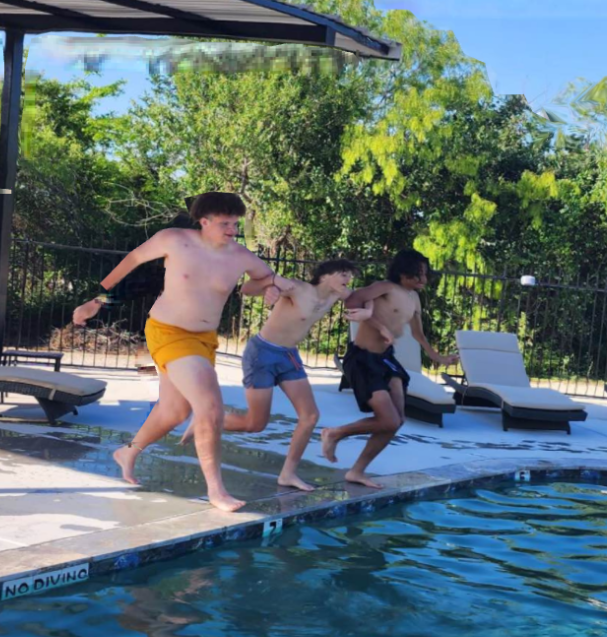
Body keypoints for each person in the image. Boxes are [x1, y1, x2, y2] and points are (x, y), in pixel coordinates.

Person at [71, 192, 284, 512]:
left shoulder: (240, 256)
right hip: (168, 332)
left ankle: (127, 452)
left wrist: (271, 289)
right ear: (204, 221)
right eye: (225, 224)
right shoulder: (174, 240)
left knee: (174, 412)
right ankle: (216, 491)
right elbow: (132, 261)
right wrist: (97, 300)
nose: (232, 230)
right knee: (210, 406)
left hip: (204, 339)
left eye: (235, 224)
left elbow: (264, 278)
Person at [182, 259, 368, 491]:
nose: (347, 280)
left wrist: (367, 311)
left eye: (349, 276)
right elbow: (247, 288)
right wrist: (271, 285)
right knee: (255, 423)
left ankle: (287, 474)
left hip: (288, 356)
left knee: (310, 416)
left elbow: (368, 295)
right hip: (262, 354)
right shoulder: (297, 288)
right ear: (325, 275)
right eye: (343, 274)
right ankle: (205, 420)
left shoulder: (336, 295)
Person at [320, 249, 457, 489]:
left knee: (397, 420)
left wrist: (438, 357)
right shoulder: (384, 287)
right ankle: (335, 433)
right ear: (404, 272)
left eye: (425, 275)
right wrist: (377, 323)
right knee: (389, 420)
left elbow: (418, 334)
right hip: (363, 358)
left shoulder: (414, 298)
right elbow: (352, 302)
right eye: (419, 275)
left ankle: (357, 471)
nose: (423, 280)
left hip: (386, 359)